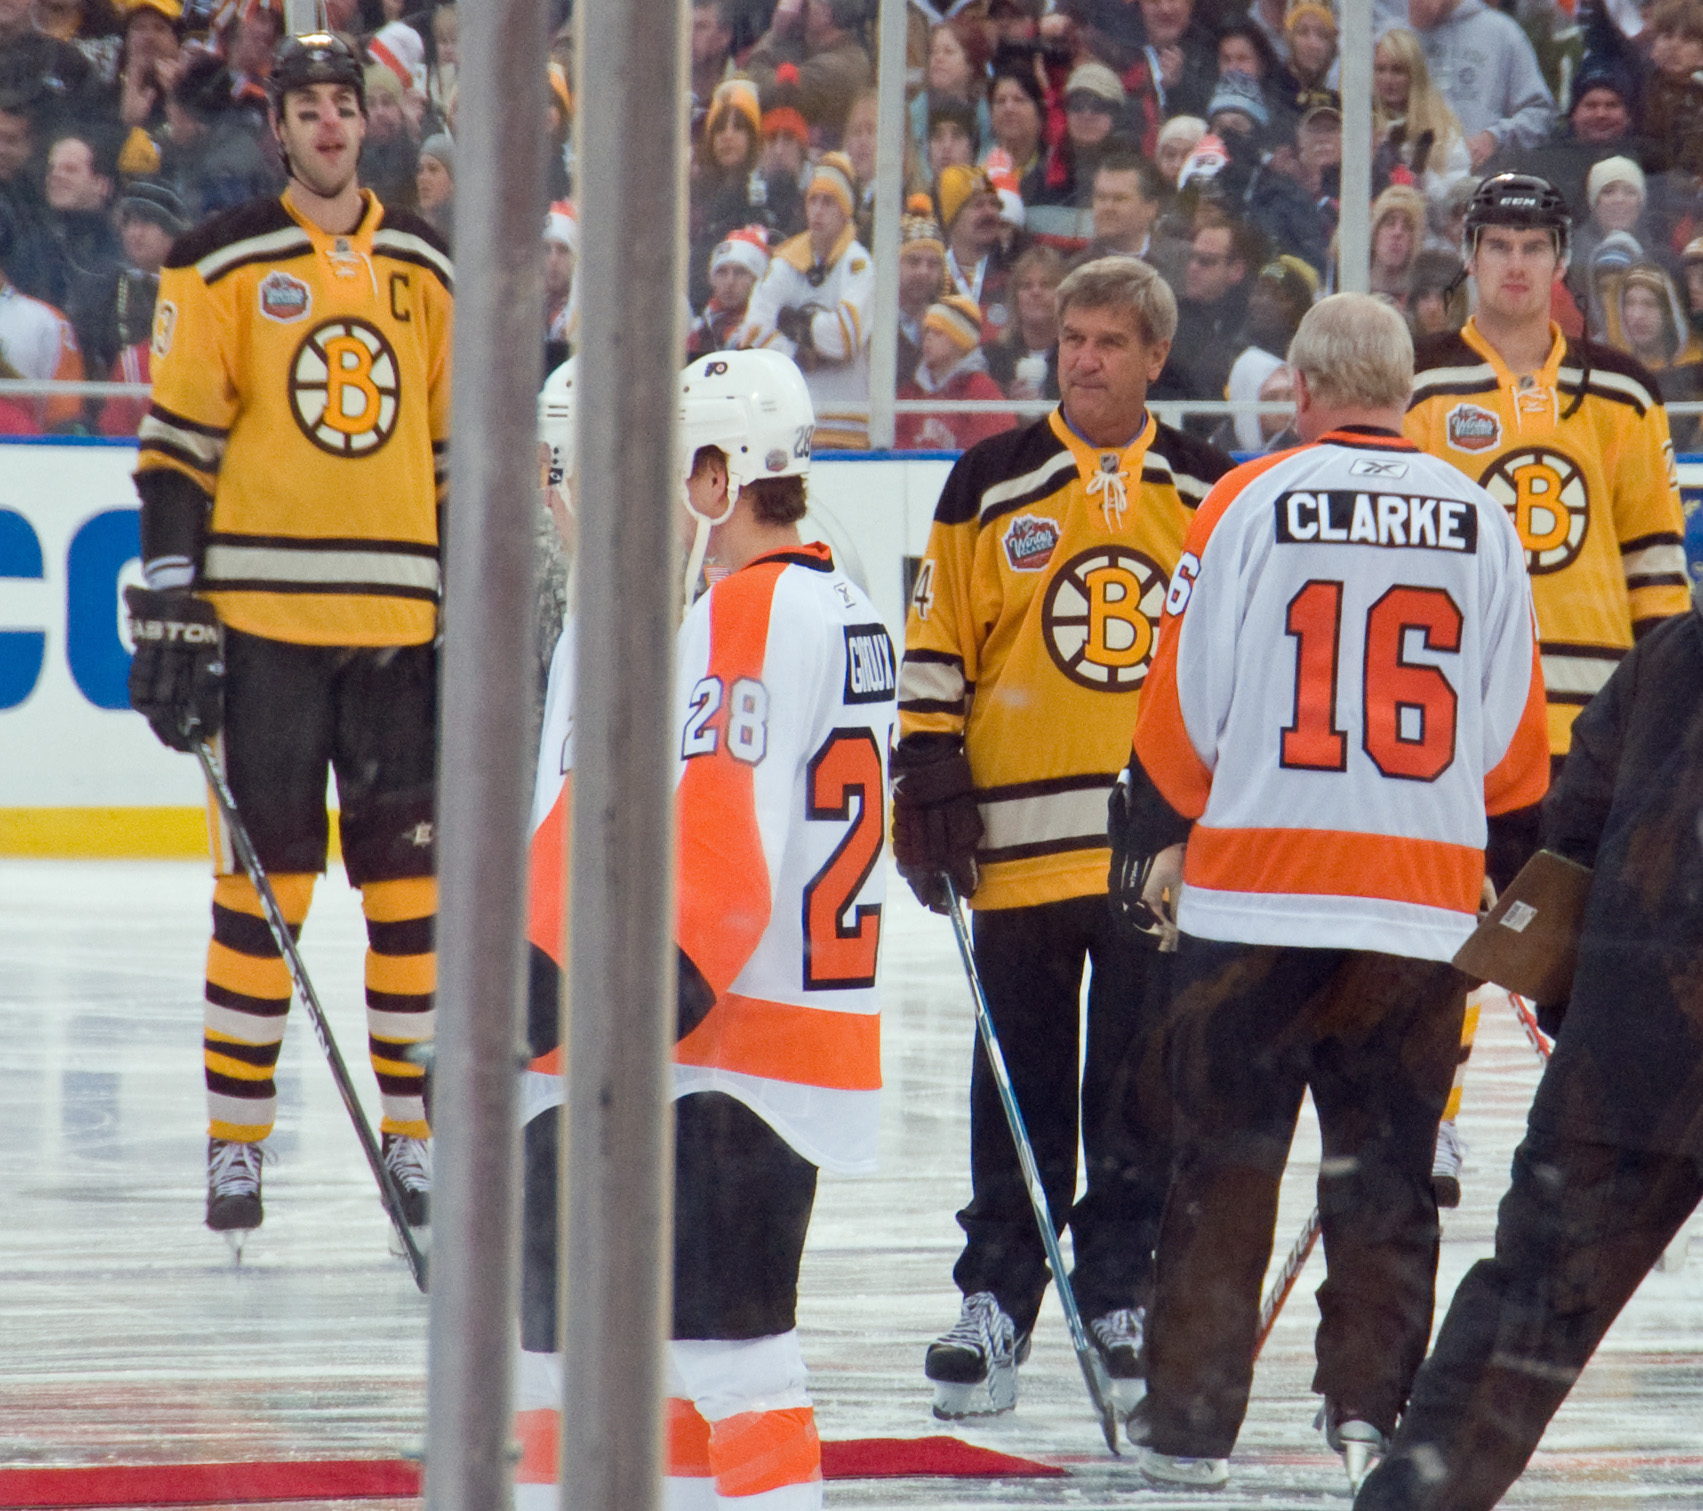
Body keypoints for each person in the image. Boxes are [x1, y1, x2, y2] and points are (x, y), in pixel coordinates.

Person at [1119, 291, 1550, 1491]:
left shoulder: (1242, 502)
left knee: (1224, 1167)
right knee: (1386, 1171)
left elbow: (1178, 717)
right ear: (1404, 393)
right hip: (1411, 911)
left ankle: (1192, 1420)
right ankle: (1369, 1409)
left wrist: (1166, 833)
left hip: (1252, 903)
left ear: (1301, 390)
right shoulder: (1481, 519)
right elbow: (1514, 752)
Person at [514, 350, 896, 1511]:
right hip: (779, 1041)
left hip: (715, 1052)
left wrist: (559, 1011)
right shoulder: (838, 600)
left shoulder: (744, 609)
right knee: (683, 1365)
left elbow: (724, 847)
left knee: (683, 1357)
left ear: (723, 475)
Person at [124, 31, 452, 1243]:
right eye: (305, 107)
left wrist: (465, 618)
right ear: (277, 129)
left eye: (343, 106)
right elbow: (176, 451)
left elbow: (455, 455)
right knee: (263, 898)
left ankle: (416, 1140)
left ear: (369, 123)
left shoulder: (428, 262)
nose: (326, 124)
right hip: (263, 628)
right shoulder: (219, 263)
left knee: (409, 899)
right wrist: (173, 594)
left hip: (397, 633)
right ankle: (235, 1140)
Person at [895, 256, 1233, 1422]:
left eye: (1107, 341)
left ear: (1153, 357)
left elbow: (1233, 664)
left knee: (1139, 1089)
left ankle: (1118, 1288)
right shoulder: (989, 478)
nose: (1081, 357)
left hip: (1153, 855)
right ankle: (995, 1292)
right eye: (1071, 337)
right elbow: (937, 637)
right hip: (1020, 847)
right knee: (1017, 1087)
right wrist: (927, 770)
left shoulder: (1205, 488)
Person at [1353, 584, 1703, 1511]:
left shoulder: (1669, 654)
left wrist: (1578, 998)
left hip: (1632, 1047)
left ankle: (1414, 1500)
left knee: (1526, 1312)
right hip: (1633, 1038)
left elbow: (1568, 840)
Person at [1405, 172, 1689, 1199]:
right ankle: (1430, 1113)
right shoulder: (1420, 383)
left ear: (1560, 259)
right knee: (1460, 913)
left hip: (1595, 720)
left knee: (1596, 933)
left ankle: (1599, 1115)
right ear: (1469, 257)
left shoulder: (1619, 390)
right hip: (1458, 713)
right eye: (1496, 245)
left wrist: (1672, 710)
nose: (1514, 264)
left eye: (1532, 245)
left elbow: (1654, 560)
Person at [739, 151, 874, 449]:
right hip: (792, 423)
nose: (818, 211)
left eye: (829, 201)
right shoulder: (786, 262)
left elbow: (844, 336)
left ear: (845, 210)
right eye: (813, 200)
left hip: (846, 426)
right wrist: (796, 352)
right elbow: (750, 334)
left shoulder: (859, 264)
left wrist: (794, 323)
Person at [1407, 0, 1555, 169]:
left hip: (1484, 182)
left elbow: (1540, 114)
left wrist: (1494, 138)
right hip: (1417, 182)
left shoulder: (1502, 33)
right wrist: (1415, 30)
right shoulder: (1405, 32)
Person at [895, 291, 1015, 450]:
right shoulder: (911, 392)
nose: (928, 338)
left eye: (937, 332)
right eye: (926, 331)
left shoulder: (980, 389)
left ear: (960, 341)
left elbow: (1000, 445)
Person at [984, 240, 1062, 398]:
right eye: (1026, 286)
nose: (1036, 292)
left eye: (1046, 284)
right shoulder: (992, 358)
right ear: (1015, 297)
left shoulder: (1075, 357)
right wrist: (1006, 403)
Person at [687, 224, 768, 358]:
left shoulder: (767, 332)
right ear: (711, 279)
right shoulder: (699, 331)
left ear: (757, 279)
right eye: (721, 272)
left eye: (740, 272)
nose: (730, 281)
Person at [895, 207, 949, 384]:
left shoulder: (949, 324)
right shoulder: (872, 318)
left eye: (933, 264)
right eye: (914, 261)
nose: (924, 272)